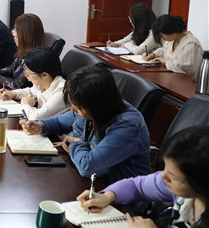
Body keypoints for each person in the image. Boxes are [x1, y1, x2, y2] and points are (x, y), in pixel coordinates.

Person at [78, 125, 209, 228]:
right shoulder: (183, 188)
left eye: (172, 176)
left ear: (201, 183)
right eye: (165, 169)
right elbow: (135, 186)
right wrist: (108, 196)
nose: (162, 176)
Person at [21, 65, 150, 185]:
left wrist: (75, 143)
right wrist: (40, 126)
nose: (73, 110)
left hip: (118, 193)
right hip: (91, 182)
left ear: (97, 105)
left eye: (78, 107)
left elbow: (87, 167)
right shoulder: (92, 106)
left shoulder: (127, 127)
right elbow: (60, 122)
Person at [0, 13, 46, 89]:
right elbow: (9, 70)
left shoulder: (35, 58)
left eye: (16, 30)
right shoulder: (24, 52)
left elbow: (16, 84)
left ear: (26, 34)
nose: (13, 33)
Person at [0, 46, 68, 120]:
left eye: (29, 73)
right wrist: (13, 94)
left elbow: (36, 117)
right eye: (25, 71)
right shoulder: (42, 84)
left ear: (44, 75)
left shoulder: (61, 93)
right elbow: (31, 91)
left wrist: (26, 104)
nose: (26, 75)